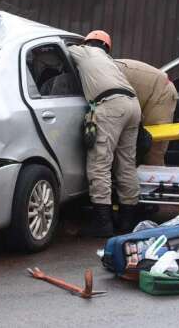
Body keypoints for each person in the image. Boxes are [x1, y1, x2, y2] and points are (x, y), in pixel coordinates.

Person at [68, 31, 142, 237]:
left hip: (110, 106)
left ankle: (102, 223)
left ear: (88, 43)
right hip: (132, 105)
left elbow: (60, 50)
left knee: (100, 163)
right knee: (126, 164)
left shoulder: (85, 52)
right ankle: (127, 221)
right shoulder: (110, 62)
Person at [115, 59, 178, 166]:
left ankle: (155, 179)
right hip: (145, 94)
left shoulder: (103, 71)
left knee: (153, 149)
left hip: (162, 92)